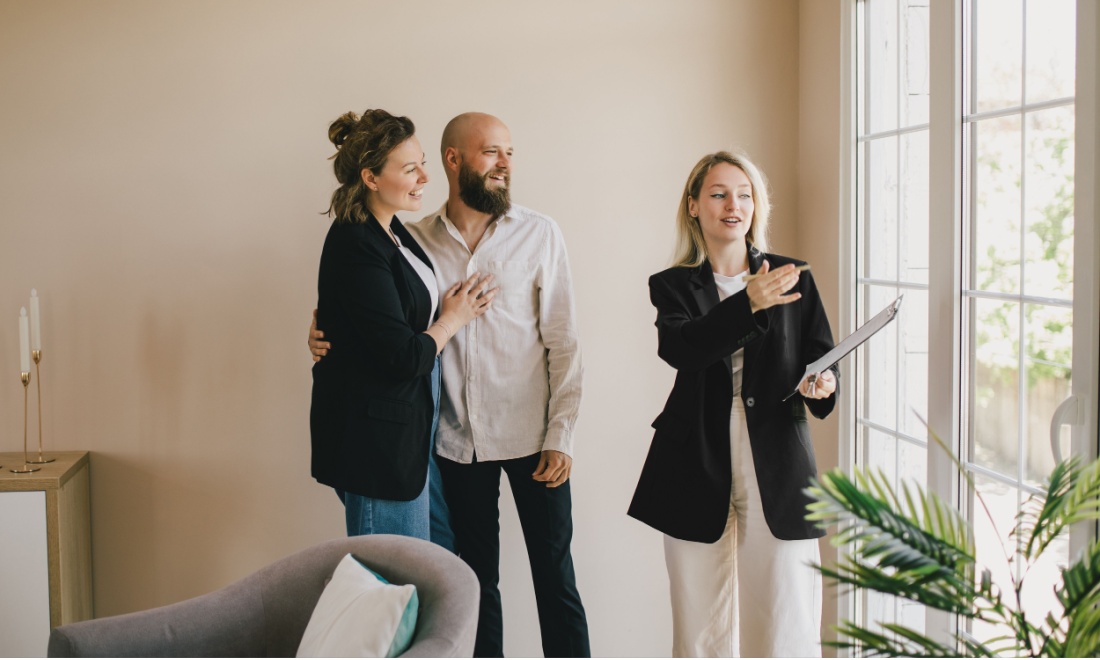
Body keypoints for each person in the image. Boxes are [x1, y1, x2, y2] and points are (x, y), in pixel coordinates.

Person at [310, 112, 590, 658]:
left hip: (535, 438)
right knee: (472, 584)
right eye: (491, 152)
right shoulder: (412, 240)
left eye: (510, 152)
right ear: (453, 159)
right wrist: (325, 333)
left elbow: (566, 341)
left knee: (556, 580)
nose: (506, 163)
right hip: (454, 445)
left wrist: (564, 433)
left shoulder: (540, 233)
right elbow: (377, 318)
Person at [627, 151, 838, 657]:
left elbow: (820, 354)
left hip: (778, 451)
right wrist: (748, 301)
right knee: (701, 623)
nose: (733, 205)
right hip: (695, 452)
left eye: (744, 195)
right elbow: (681, 348)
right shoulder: (673, 284)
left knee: (786, 608)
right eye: (719, 194)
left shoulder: (793, 275)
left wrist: (825, 381)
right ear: (694, 206)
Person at [310, 108, 495, 544]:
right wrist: (454, 319)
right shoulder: (355, 242)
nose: (425, 178)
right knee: (393, 585)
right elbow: (402, 356)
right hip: (378, 442)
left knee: (438, 555)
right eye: (410, 169)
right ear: (371, 178)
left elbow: (380, 320)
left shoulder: (395, 231)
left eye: (423, 163)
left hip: (412, 430)